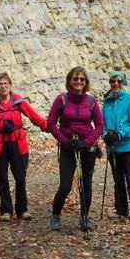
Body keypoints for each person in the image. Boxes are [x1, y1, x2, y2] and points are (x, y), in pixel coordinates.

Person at [0, 72, 47, 221]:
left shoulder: (18, 101)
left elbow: (33, 116)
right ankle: (6, 210)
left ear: (10, 85)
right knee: (2, 178)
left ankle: (22, 210)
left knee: (20, 177)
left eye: (5, 83)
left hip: (16, 143)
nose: (3, 86)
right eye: (0, 84)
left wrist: (47, 126)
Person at [46, 67, 105, 232]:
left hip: (87, 147)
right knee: (65, 185)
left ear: (86, 82)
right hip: (68, 147)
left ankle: (84, 216)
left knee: (86, 184)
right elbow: (51, 123)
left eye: (82, 79)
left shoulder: (91, 101)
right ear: (69, 81)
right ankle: (56, 215)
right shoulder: (61, 99)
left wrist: (88, 142)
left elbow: (100, 124)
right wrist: (64, 141)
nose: (79, 82)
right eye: (75, 79)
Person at [102, 71, 130, 221]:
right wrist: (105, 135)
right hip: (112, 147)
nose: (116, 84)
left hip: (128, 146)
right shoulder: (107, 101)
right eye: (113, 81)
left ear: (123, 82)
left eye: (119, 81)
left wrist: (120, 134)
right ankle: (121, 209)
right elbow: (102, 122)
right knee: (117, 178)